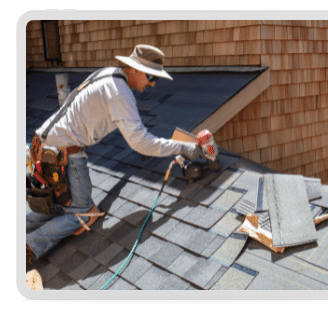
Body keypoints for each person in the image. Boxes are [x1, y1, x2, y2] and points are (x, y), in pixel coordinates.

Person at [26, 45, 203, 266]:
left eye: (156, 78)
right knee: (84, 214)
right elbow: (141, 142)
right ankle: (27, 246)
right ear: (134, 70)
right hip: (63, 154)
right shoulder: (120, 92)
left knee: (53, 207)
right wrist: (183, 148)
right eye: (150, 76)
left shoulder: (108, 74)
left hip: (42, 148)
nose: (153, 83)